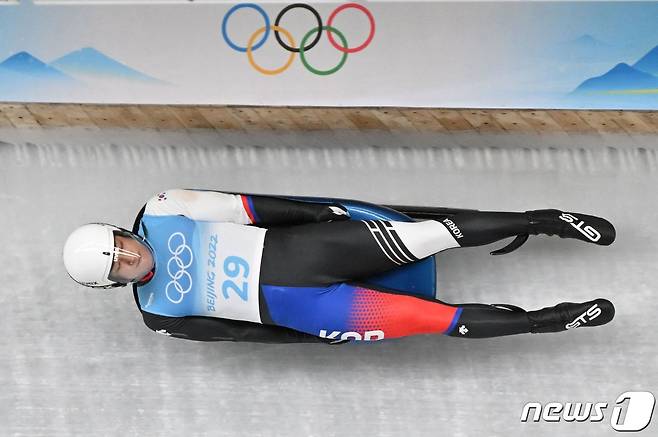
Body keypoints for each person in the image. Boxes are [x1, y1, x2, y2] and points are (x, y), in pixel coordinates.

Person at [62, 188, 616, 344]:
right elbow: (245, 334)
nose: (129, 256)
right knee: (435, 321)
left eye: (119, 244)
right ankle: (549, 321)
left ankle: (542, 221)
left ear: (121, 230)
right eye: (117, 266)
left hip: (304, 251)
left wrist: (325, 213)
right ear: (114, 284)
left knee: (428, 234)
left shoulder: (163, 208)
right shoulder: (159, 317)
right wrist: (314, 338)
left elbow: (249, 206)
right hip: (305, 308)